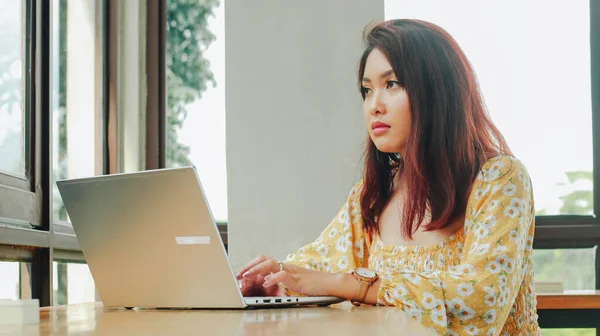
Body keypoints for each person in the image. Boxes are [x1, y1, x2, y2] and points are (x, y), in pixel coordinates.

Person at [236, 19, 539, 335]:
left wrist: (354, 285)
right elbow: (317, 267)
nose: (374, 106)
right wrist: (274, 281)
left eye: (391, 84)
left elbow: (482, 297)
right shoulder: (373, 192)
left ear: (436, 90)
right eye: (367, 90)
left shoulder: (500, 179)